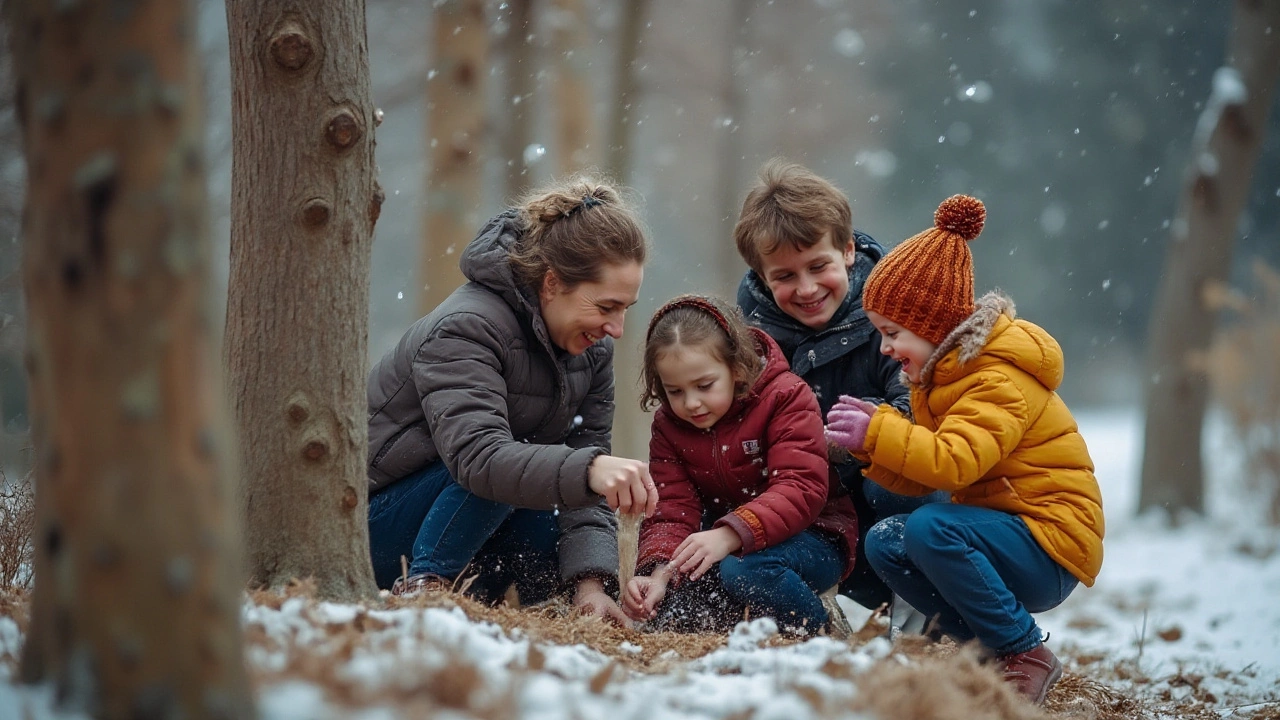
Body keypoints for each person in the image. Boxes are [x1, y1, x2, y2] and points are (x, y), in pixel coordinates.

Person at [824, 194, 1105, 705]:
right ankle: (987, 649)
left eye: (893, 333)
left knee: (930, 529)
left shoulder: (996, 379)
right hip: (1009, 534)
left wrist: (879, 433)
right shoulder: (940, 378)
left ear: (934, 329)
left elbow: (954, 464)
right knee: (887, 541)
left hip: (1050, 543)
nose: (884, 348)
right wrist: (871, 450)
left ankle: (1025, 651)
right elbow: (926, 474)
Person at [365, 177, 657, 625]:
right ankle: (423, 597)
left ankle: (554, 610)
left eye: (625, 310)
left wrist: (591, 584)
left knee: (550, 488)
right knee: (512, 463)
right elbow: (479, 459)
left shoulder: (592, 350)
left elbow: (581, 463)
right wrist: (591, 468)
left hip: (470, 521)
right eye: (605, 307)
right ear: (552, 283)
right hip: (378, 527)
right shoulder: (465, 327)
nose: (616, 328)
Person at [732, 159, 946, 614]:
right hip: (820, 514)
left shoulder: (896, 318)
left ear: (848, 251)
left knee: (893, 481)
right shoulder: (748, 345)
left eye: (818, 266)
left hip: (905, 506)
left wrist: (840, 432)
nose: (807, 288)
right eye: (785, 276)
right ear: (762, 279)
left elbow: (922, 416)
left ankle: (927, 613)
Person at [621, 295, 858, 635]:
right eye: (675, 391)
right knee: (673, 609)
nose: (691, 403)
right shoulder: (668, 425)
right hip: (723, 542)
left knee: (745, 571)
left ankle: (822, 630)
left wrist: (730, 534)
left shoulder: (785, 396)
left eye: (705, 386)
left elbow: (801, 488)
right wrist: (660, 571)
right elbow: (672, 508)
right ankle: (752, 632)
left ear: (737, 368)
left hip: (812, 538)